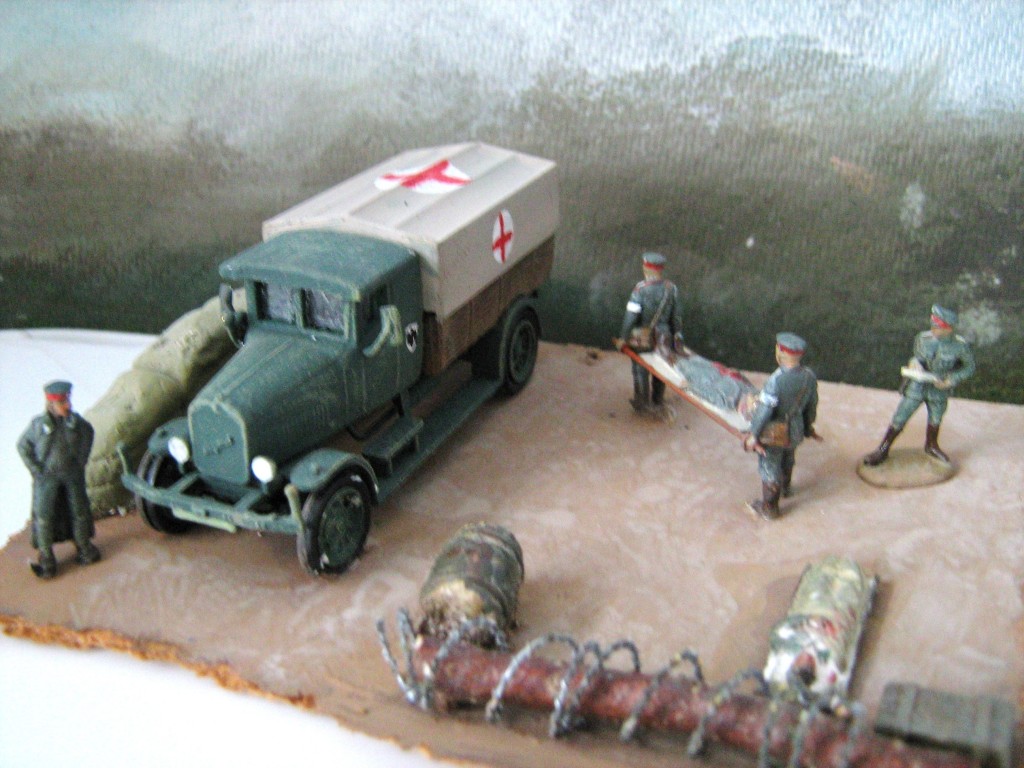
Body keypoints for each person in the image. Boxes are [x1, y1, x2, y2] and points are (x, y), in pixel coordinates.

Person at [863, 305, 975, 466]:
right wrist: (914, 363)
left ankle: (931, 445)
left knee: (936, 418)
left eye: (937, 327)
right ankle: (883, 449)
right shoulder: (923, 338)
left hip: (939, 388)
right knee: (901, 416)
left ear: (948, 328)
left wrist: (951, 380)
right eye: (933, 326)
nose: (933, 329)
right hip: (917, 386)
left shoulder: (960, 346)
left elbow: (969, 368)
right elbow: (917, 357)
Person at [17, 380, 100, 579]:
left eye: (68, 401)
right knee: (44, 516)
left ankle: (84, 548)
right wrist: (36, 469)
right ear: (51, 404)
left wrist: (81, 460)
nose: (68, 405)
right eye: (63, 402)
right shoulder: (38, 425)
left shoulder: (76, 424)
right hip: (47, 478)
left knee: (79, 511)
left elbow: (89, 434)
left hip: (72, 475)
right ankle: (46, 558)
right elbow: (23, 446)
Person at [742, 333, 819, 520]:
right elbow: (812, 406)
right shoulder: (809, 377)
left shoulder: (776, 380)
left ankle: (770, 507)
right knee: (788, 457)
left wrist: (753, 434)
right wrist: (808, 427)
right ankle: (786, 488)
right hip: (796, 429)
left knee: (770, 466)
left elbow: (765, 411)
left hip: (776, 433)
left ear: (781, 352)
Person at [615, 252, 682, 415]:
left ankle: (642, 403)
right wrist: (676, 335)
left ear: (646, 269)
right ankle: (658, 399)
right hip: (664, 336)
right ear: (660, 269)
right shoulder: (671, 288)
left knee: (640, 368)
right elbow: (676, 317)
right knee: (661, 368)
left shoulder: (640, 289)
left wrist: (623, 338)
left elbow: (631, 316)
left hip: (643, 336)